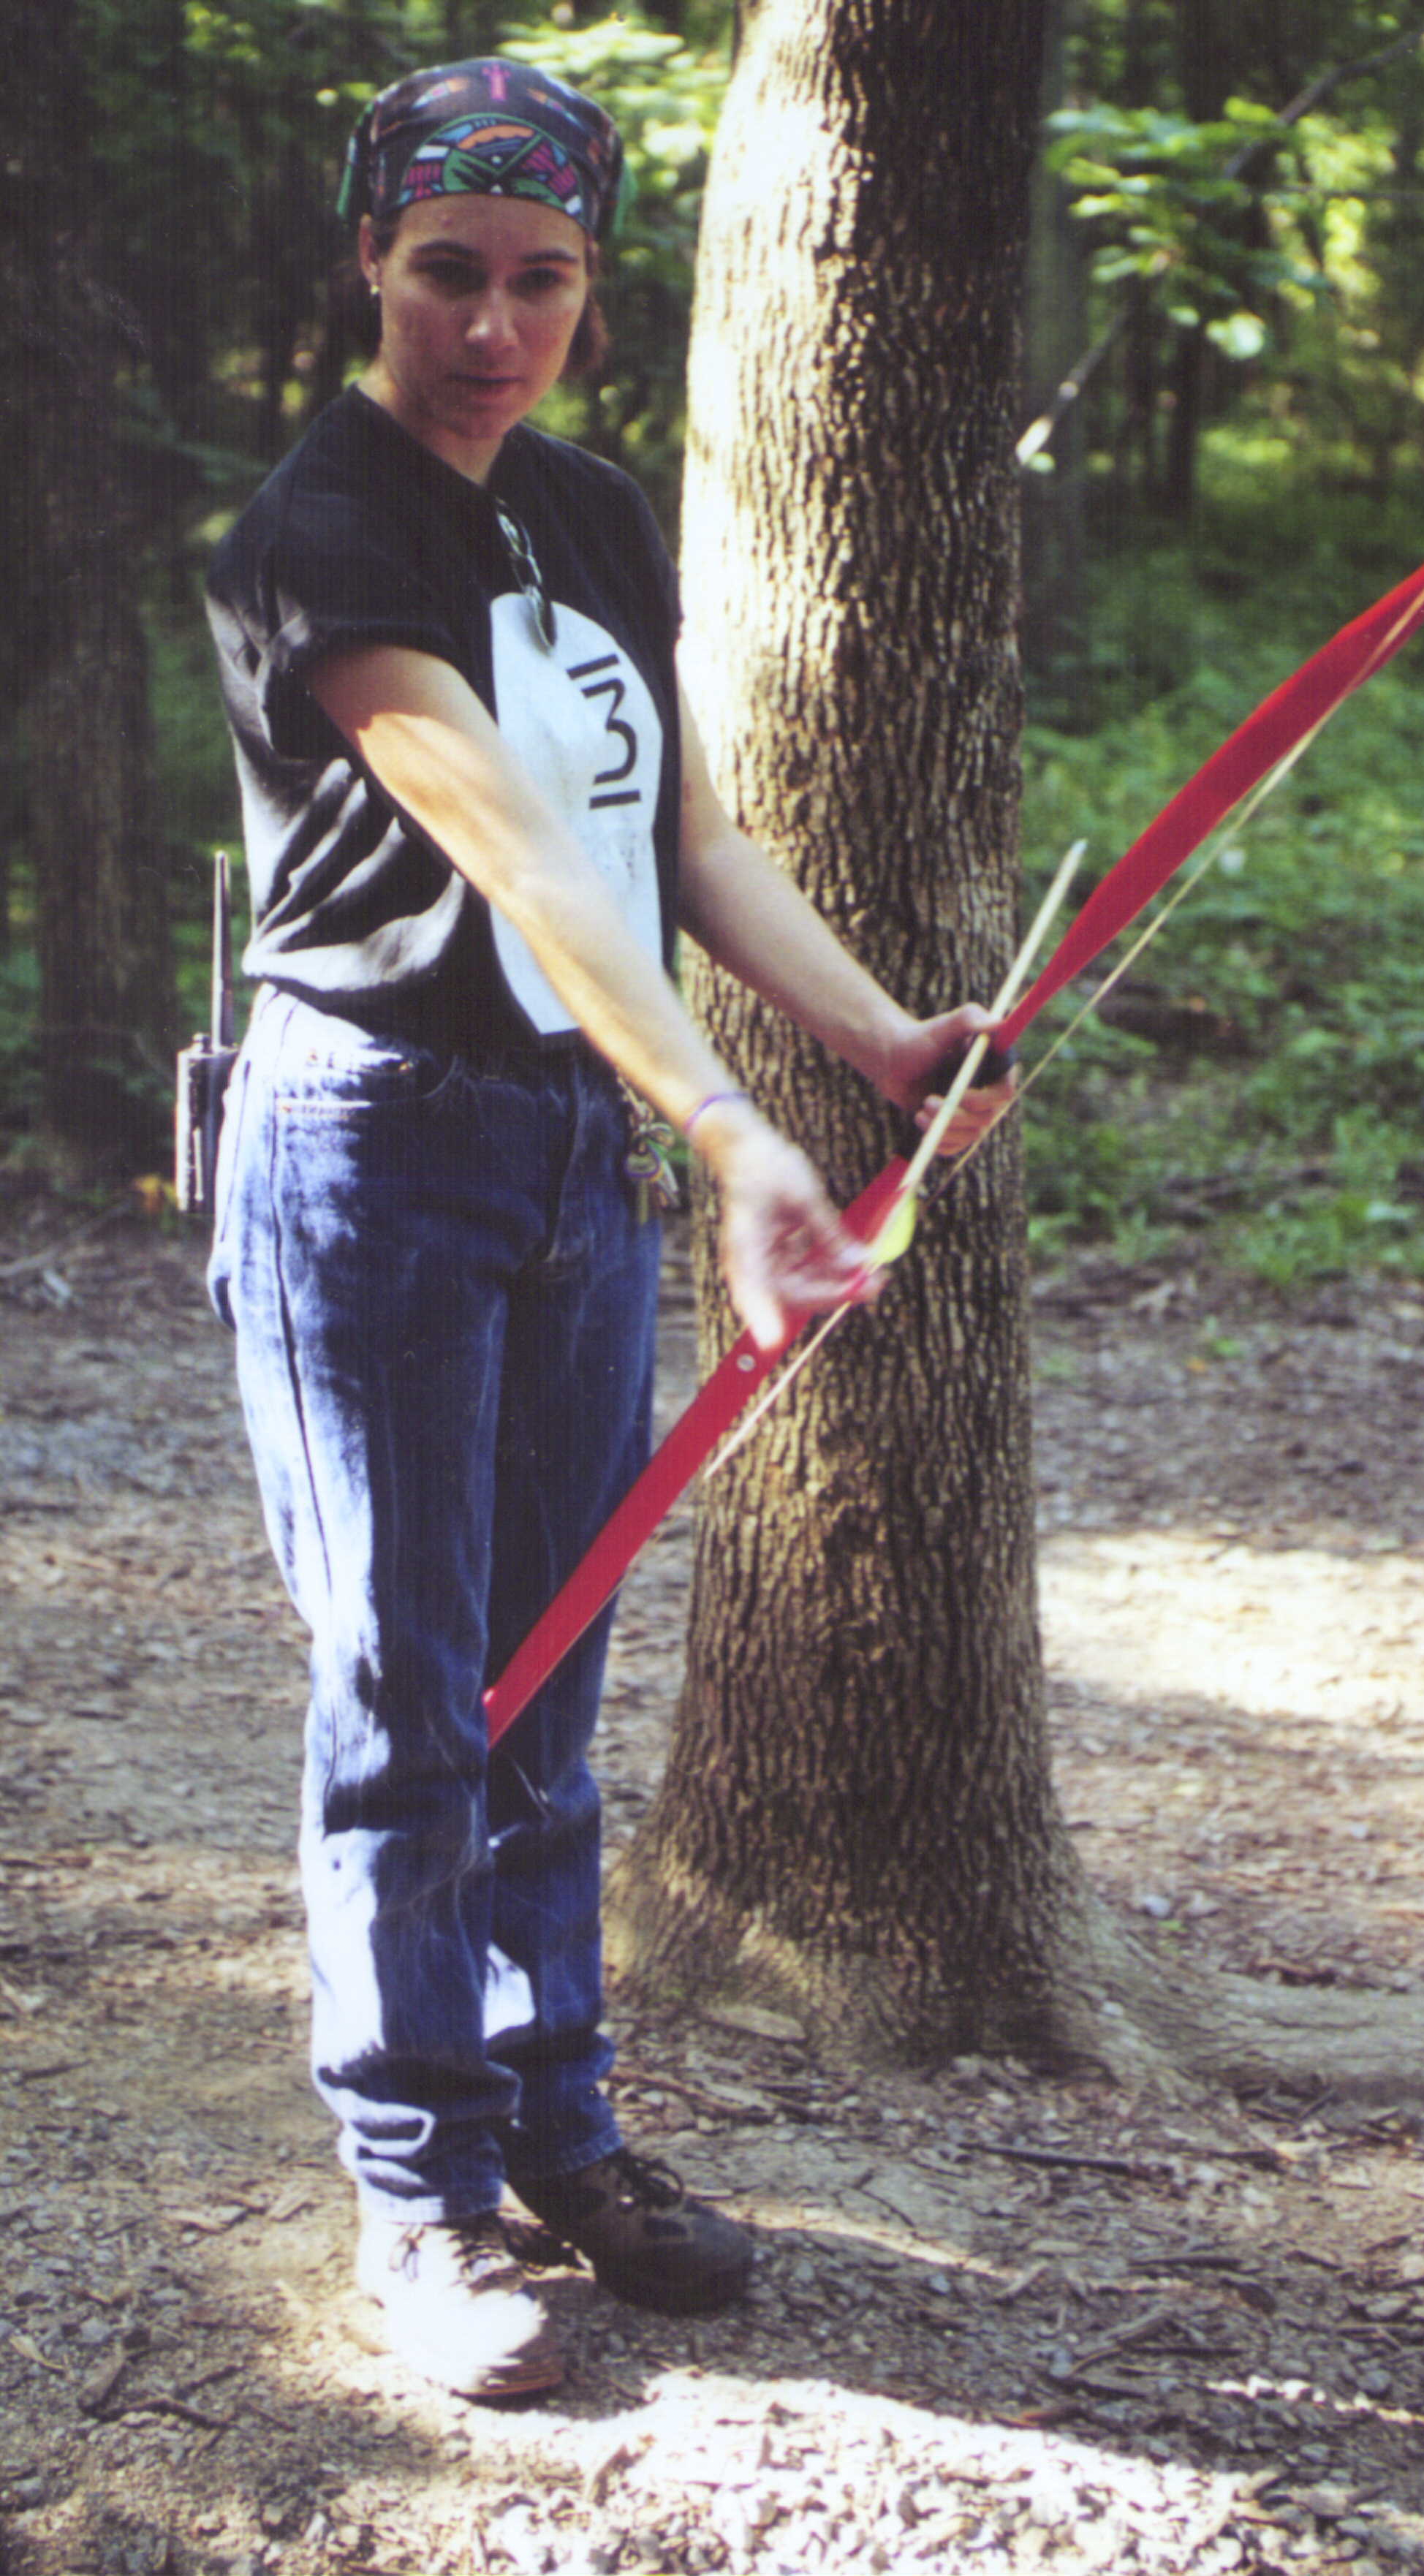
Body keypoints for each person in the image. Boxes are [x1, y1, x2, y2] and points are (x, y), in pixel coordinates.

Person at [205, 56, 1012, 2402]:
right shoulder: (320, 524)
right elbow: (514, 853)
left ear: (589, 283)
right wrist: (728, 1120)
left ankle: (562, 2124)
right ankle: (418, 2194)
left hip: (571, 1148)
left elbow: (666, 830)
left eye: (541, 277)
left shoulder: (582, 512)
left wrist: (873, 1042)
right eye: (448, 271)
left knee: (547, 1672)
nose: (492, 321)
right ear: (370, 258)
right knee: (406, 1691)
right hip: (372, 1144)